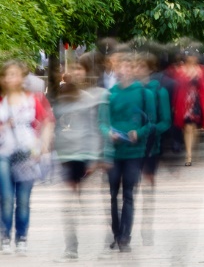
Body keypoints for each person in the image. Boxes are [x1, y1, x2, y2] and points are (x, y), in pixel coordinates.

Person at [99, 50, 155, 253]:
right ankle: (116, 232)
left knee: (129, 194)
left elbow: (150, 123)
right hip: (114, 152)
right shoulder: (110, 94)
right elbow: (102, 123)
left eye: (128, 67)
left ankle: (125, 237)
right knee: (113, 195)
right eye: (120, 67)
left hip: (134, 152)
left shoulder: (144, 94)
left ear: (133, 70)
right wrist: (108, 133)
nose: (123, 70)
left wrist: (138, 133)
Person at [0, 60, 55, 255]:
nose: (10, 78)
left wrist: (44, 147)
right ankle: (4, 236)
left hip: (27, 153)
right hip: (3, 154)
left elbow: (47, 122)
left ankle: (21, 237)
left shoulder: (34, 99)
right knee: (6, 197)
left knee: (23, 199)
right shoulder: (1, 101)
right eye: (7, 74)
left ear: (23, 78)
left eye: (14, 74)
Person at [53, 53, 104, 261]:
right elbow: (55, 126)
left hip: (84, 154)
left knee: (79, 200)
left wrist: (93, 158)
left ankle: (93, 235)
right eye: (71, 70)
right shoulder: (61, 98)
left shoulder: (89, 99)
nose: (74, 74)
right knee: (69, 202)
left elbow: (94, 129)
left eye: (78, 70)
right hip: (66, 155)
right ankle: (71, 246)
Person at [135, 50, 171, 246]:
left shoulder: (159, 92)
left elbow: (166, 121)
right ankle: (124, 230)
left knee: (147, 189)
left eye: (141, 66)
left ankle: (146, 227)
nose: (137, 70)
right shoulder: (129, 91)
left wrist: (151, 130)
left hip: (151, 147)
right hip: (130, 147)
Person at [171, 48, 204, 167]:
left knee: (194, 127)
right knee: (187, 127)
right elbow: (176, 89)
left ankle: (193, 149)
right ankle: (188, 154)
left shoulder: (201, 70)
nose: (192, 58)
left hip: (197, 101)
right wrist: (174, 105)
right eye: (190, 56)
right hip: (183, 102)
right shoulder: (180, 70)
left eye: (194, 56)